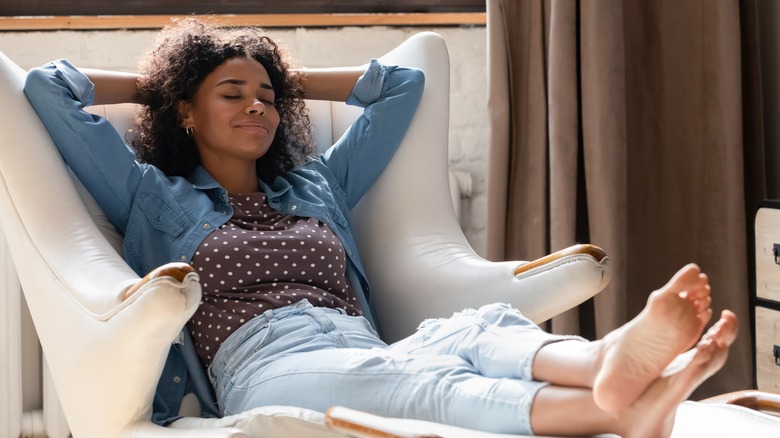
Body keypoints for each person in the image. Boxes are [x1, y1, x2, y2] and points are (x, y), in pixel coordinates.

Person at [23, 18, 738, 437]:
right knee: (423, 385)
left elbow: (403, 87)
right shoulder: (155, 197)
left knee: (478, 328)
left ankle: (611, 370)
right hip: (266, 364)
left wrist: (289, 79)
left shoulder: (316, 184)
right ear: (186, 111)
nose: (258, 108)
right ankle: (614, 408)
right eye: (231, 94)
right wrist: (163, 85)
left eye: (269, 97)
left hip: (357, 336)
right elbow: (45, 91)